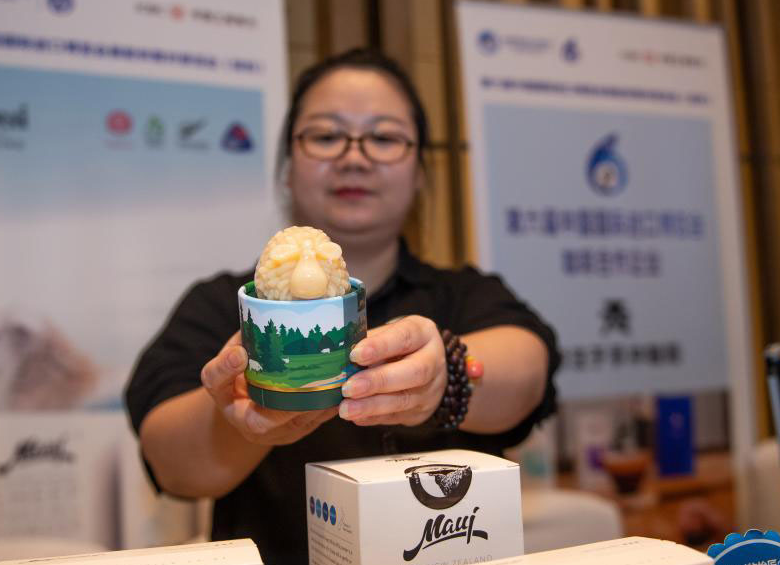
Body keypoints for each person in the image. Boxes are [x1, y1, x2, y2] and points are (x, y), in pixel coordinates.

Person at [125, 48, 560, 565]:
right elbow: (169, 461)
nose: (355, 157)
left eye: (384, 137)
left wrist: (446, 372)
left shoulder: (464, 293)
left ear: (420, 171)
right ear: (287, 168)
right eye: (326, 135)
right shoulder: (224, 305)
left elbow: (529, 367)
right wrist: (241, 415)